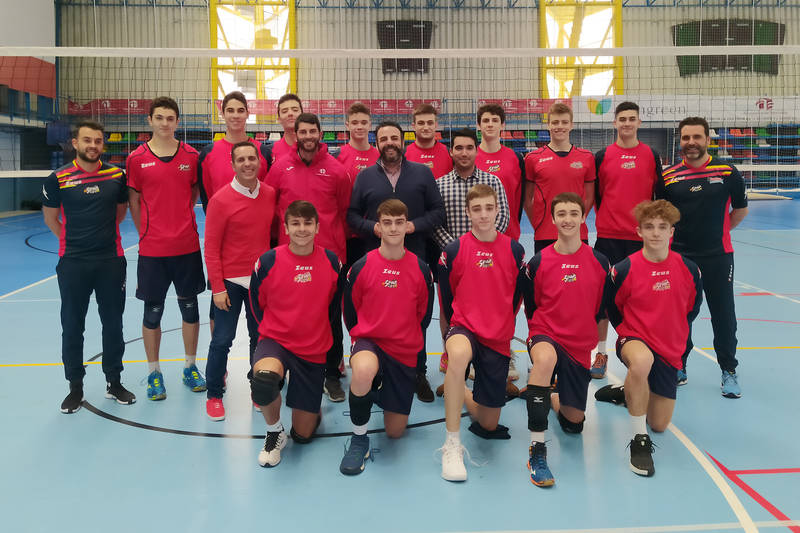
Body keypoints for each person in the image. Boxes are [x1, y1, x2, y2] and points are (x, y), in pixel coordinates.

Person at [348, 120, 445, 403]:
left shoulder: (422, 173)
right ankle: (377, 369)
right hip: (376, 260)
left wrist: (414, 226)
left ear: (403, 141)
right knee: (378, 317)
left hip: (415, 257)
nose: (389, 143)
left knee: (416, 318)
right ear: (376, 143)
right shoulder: (365, 176)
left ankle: (418, 372)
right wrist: (372, 228)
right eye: (383, 139)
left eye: (394, 138)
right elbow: (352, 215)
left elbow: (438, 212)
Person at [603, 200, 703, 476]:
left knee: (659, 424)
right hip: (635, 340)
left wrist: (671, 331)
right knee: (641, 361)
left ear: (672, 231)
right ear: (639, 231)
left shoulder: (689, 269)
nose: (656, 233)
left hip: (669, 348)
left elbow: (692, 309)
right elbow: (612, 307)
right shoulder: (624, 269)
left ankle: (628, 392)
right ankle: (639, 439)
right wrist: (628, 332)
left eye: (662, 227)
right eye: (649, 227)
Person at [42, 120, 136, 413]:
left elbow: (120, 214)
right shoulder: (58, 178)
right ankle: (75, 387)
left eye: (97, 141)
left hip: (110, 261)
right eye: (87, 140)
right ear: (75, 143)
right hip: (73, 263)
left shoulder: (116, 175)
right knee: (72, 325)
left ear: (102, 144)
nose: (93, 145)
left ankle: (114, 382)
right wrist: (74, 242)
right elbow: (50, 219)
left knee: (113, 324)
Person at [438, 184, 526, 482]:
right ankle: (451, 444)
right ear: (467, 212)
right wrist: (452, 331)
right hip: (464, 327)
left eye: (489, 208)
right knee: (458, 354)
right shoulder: (454, 250)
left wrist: (501, 322)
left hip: (497, 336)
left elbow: (516, 297)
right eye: (477, 209)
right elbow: (447, 298)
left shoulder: (514, 250)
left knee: (488, 424)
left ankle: (460, 391)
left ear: (498, 209)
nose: (484, 214)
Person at [339, 199, 434, 475]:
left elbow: (424, 316)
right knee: (363, 369)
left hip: (403, 349)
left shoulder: (421, 269)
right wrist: (362, 338)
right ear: (378, 227)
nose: (393, 228)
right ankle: (359, 439)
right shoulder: (361, 267)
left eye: (399, 222)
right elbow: (350, 313)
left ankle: (375, 393)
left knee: (395, 432)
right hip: (370, 342)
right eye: (388, 223)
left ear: (407, 226)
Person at [522, 192, 610, 487]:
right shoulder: (538, 262)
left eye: (574, 213)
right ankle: (537, 449)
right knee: (545, 359)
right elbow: (532, 307)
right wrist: (539, 334)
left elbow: (601, 309)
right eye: (561, 214)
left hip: (578, 345)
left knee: (574, 423)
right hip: (545, 333)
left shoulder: (599, 261)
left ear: (584, 217)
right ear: (552, 218)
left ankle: (548, 396)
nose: (568, 219)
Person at [657, 116, 748, 397]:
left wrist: (719, 233)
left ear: (708, 139)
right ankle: (678, 365)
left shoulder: (727, 172)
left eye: (697, 137)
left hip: (718, 256)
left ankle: (728, 370)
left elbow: (740, 210)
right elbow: (662, 216)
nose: (691, 142)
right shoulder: (669, 177)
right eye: (686, 138)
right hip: (681, 258)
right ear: (680, 141)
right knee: (680, 315)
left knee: (723, 314)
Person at [266, 112, 352, 403]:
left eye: (312, 131)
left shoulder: (336, 170)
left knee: (331, 318)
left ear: (320, 134)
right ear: (295, 134)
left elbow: (343, 211)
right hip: (289, 257)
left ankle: (331, 374)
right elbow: (271, 205)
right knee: (291, 314)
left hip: (328, 257)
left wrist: (333, 245)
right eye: (302, 131)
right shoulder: (280, 167)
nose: (308, 136)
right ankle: (287, 368)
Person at [248, 201, 341, 468]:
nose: (302, 229)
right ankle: (274, 432)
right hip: (276, 341)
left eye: (307, 223)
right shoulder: (268, 261)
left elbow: (334, 307)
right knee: (263, 381)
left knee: (302, 435)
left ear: (317, 227)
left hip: (312, 347)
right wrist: (272, 330)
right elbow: (256, 303)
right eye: (295, 223)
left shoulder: (331, 261)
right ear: (286, 228)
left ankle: (311, 410)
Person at [127, 96, 206, 400]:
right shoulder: (137, 158)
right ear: (150, 120)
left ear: (177, 121)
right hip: (153, 250)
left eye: (170, 118)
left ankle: (190, 366)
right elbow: (134, 200)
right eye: (159, 117)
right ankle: (154, 372)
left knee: (190, 309)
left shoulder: (191, 156)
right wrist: (146, 232)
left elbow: (193, 192)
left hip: (186, 246)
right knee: (152, 313)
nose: (164, 123)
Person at [432, 128, 514, 387]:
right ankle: (451, 354)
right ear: (451, 151)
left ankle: (498, 354)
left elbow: (503, 217)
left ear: (476, 150)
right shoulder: (440, 185)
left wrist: (483, 247)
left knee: (493, 305)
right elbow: (436, 223)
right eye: (459, 148)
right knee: (448, 307)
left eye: (469, 147)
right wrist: (458, 250)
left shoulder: (493, 181)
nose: (464, 152)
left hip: (491, 259)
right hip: (453, 259)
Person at [203, 142, 276, 420]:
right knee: (222, 340)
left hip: (259, 281)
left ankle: (258, 390)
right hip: (230, 282)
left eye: (251, 158)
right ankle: (214, 394)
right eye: (241, 159)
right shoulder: (220, 200)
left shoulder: (269, 194)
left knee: (260, 338)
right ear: (233, 165)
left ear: (259, 162)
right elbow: (211, 248)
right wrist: (218, 288)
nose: (247, 164)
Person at [590, 101, 662, 380]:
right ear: (615, 123)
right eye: (623, 119)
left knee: (640, 300)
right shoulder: (602, 156)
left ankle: (644, 353)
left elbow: (658, 196)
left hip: (639, 240)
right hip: (608, 238)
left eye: (632, 119)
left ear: (639, 122)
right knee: (602, 301)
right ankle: (600, 353)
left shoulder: (651, 155)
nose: (627, 123)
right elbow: (597, 196)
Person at [198, 91, 272, 336]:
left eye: (241, 110)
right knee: (219, 320)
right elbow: (208, 200)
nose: (236, 115)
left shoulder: (262, 152)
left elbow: (266, 194)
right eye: (230, 110)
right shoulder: (208, 153)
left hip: (255, 249)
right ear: (222, 114)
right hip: (224, 250)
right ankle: (219, 359)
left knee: (259, 326)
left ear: (248, 114)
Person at [524, 102, 596, 253]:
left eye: (564, 122)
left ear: (571, 125)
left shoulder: (587, 157)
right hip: (545, 233)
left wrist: (576, 219)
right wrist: (538, 223)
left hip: (578, 232)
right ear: (548, 125)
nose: (560, 126)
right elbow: (527, 199)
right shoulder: (533, 158)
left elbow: (590, 197)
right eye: (555, 122)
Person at [475, 103, 525, 241]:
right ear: (478, 125)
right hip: (476, 233)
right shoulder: (470, 158)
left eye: (495, 120)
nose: (490, 124)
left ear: (502, 125)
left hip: (509, 233)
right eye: (486, 120)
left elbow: (520, 199)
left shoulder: (516, 158)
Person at [404, 103, 453, 179]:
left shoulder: (449, 153)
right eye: (421, 123)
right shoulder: (403, 154)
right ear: (414, 126)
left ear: (436, 125)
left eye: (430, 123)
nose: (426, 128)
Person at [270, 93, 303, 164]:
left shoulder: (314, 150)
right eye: (284, 111)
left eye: (295, 110)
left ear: (302, 115)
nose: (290, 113)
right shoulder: (270, 151)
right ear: (279, 119)